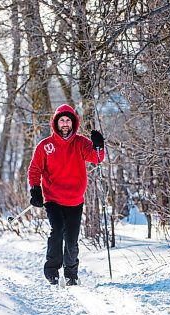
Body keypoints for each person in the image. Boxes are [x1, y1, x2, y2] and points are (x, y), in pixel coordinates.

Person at [28, 104, 105, 286]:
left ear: (73, 122)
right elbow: (34, 169)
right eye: (61, 120)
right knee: (57, 231)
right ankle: (52, 271)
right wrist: (35, 189)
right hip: (53, 197)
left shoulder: (81, 143)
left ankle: (71, 274)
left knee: (71, 239)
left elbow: (97, 158)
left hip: (75, 199)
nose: (64, 124)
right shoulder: (45, 146)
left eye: (67, 120)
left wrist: (99, 144)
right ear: (56, 122)